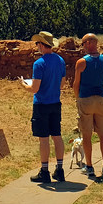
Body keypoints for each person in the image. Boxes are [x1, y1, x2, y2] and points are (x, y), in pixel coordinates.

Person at [73, 33, 103, 178]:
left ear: (88, 43)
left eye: (83, 44)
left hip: (85, 98)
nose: (83, 47)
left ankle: (89, 166)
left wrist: (78, 98)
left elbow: (76, 84)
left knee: (86, 135)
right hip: (100, 99)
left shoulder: (81, 62)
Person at [21, 31, 66, 183]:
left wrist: (24, 85)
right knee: (57, 136)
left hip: (41, 104)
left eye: (37, 44)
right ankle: (59, 170)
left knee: (44, 139)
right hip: (55, 103)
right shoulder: (60, 60)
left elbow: (35, 89)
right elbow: (62, 83)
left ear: (41, 45)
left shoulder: (39, 64)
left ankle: (44, 171)